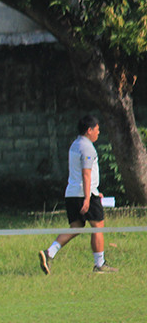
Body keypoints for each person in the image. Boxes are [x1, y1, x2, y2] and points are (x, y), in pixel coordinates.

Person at [39, 115, 117, 275]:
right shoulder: (87, 148)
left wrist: (95, 191)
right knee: (98, 227)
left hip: (72, 193)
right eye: (97, 129)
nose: (98, 132)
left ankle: (49, 253)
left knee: (76, 227)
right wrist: (88, 198)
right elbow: (86, 174)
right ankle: (99, 264)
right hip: (84, 194)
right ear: (89, 130)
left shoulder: (75, 144)